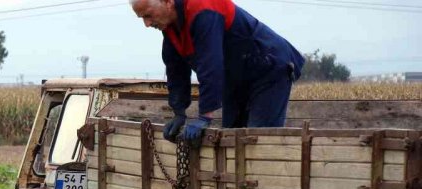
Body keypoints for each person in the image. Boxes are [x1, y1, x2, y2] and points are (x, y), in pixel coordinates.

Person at [130, 0, 304, 143]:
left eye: (148, 15)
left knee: (257, 140)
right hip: (236, 77)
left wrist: (204, 117)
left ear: (167, 2)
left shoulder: (203, 8)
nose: (147, 24)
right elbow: (175, 70)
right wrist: (179, 113)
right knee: (231, 138)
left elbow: (210, 63)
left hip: (267, 68)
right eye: (141, 19)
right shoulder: (170, 28)